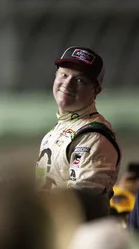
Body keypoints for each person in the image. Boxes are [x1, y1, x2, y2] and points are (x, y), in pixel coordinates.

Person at [36, 46, 121, 219]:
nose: (68, 84)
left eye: (81, 80)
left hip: (76, 240)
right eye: (64, 75)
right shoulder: (60, 128)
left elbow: (84, 206)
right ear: (55, 77)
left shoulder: (93, 136)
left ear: (96, 90)